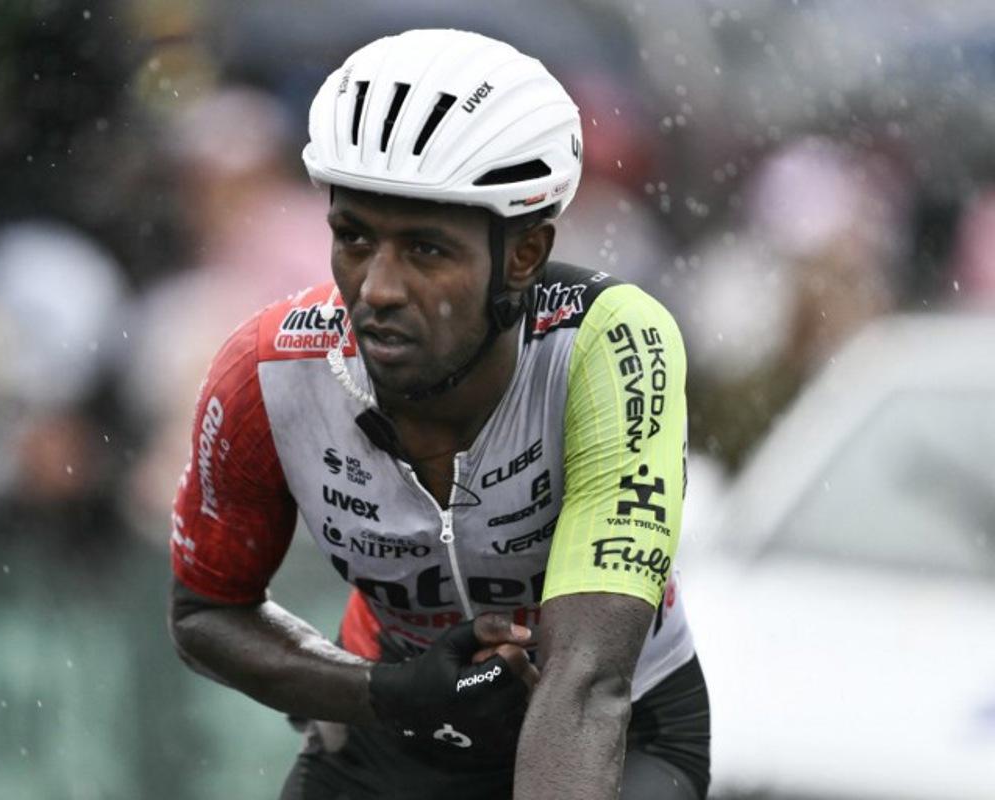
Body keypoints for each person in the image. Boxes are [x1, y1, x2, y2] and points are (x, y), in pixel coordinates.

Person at [168, 29, 709, 800]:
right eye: (353, 237)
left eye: (424, 250)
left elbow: (587, 682)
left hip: (615, 732)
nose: (377, 288)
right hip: (393, 734)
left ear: (523, 255)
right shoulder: (267, 373)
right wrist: (385, 693)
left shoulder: (609, 346)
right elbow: (203, 615)